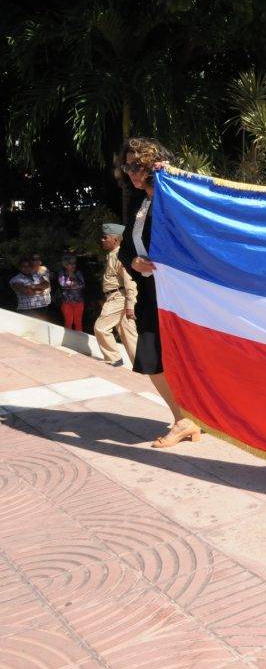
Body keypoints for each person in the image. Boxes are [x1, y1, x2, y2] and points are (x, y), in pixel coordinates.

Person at [118, 137, 201, 448]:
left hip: (181, 294)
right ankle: (183, 418)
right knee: (152, 358)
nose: (132, 173)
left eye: (138, 166)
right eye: (128, 166)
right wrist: (133, 261)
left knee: (183, 356)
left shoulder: (174, 195)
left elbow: (201, 214)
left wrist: (175, 178)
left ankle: (188, 420)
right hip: (151, 292)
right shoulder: (139, 202)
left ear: (155, 164)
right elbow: (127, 246)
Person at [94, 223, 139, 366]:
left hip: (119, 298)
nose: (102, 240)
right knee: (129, 335)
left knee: (100, 328)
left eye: (105, 237)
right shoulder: (113, 256)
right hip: (116, 297)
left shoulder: (120, 257)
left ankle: (114, 358)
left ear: (115, 239)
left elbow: (130, 282)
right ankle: (141, 365)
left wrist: (130, 305)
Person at [57, 255, 86, 331]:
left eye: (74, 263)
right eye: (71, 263)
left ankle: (79, 341)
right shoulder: (62, 273)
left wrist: (70, 284)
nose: (73, 265)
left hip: (79, 301)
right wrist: (73, 284)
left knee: (78, 322)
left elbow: (82, 285)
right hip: (67, 301)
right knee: (69, 322)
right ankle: (68, 341)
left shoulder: (78, 273)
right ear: (65, 265)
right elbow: (63, 285)